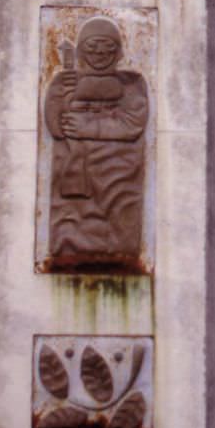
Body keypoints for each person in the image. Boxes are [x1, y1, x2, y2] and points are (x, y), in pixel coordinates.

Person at [45, 16, 148, 266]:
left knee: (121, 223)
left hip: (120, 172)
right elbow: (57, 129)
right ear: (80, 50)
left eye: (107, 46)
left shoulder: (132, 83)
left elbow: (133, 124)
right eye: (92, 46)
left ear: (119, 50)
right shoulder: (64, 81)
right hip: (75, 172)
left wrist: (88, 126)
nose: (100, 52)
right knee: (70, 225)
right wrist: (59, 99)